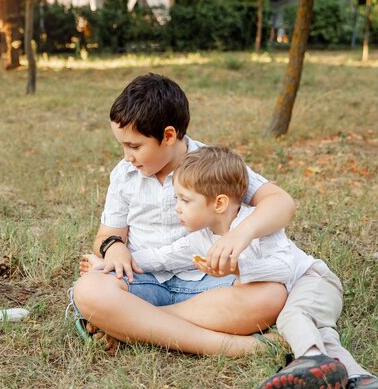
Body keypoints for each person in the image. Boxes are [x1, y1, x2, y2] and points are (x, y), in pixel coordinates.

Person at [83, 146, 377, 388]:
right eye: (176, 199)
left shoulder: (253, 226)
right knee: (317, 330)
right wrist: (109, 258)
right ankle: (356, 379)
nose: (177, 208)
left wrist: (240, 270)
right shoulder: (200, 239)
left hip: (310, 280)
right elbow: (162, 257)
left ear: (220, 203)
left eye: (184, 200)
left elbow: (284, 267)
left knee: (296, 317)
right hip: (288, 292)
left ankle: (310, 362)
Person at [71, 73, 294, 357]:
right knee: (89, 290)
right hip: (144, 279)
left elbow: (281, 202)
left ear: (168, 135)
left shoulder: (211, 165)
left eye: (135, 146)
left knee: (271, 295)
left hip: (211, 286)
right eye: (123, 146)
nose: (127, 155)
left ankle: (133, 325)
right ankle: (235, 347)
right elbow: (108, 235)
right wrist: (112, 248)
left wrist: (240, 234)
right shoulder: (124, 174)